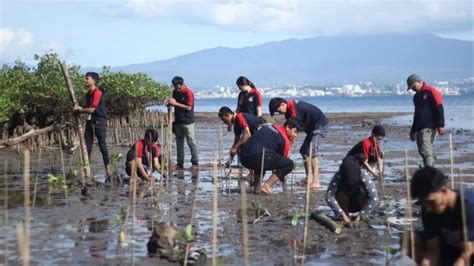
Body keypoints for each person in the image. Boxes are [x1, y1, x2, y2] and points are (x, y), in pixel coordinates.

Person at [408, 166, 473, 265]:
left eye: (431, 202)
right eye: (423, 203)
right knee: (408, 239)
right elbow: (433, 248)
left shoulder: (468, 206)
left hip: (469, 249)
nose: (428, 208)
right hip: (448, 248)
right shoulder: (428, 209)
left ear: (444, 190)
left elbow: (467, 252)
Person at [325, 125, 385, 223]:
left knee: (369, 192)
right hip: (354, 166)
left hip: (358, 176)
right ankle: (344, 213)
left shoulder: (361, 174)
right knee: (342, 193)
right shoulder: (340, 174)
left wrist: (361, 215)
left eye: (380, 140)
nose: (378, 141)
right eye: (377, 139)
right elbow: (328, 196)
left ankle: (357, 213)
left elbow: (375, 199)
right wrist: (342, 214)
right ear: (373, 135)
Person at [269, 97, 328, 189]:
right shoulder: (289, 113)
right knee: (304, 151)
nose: (279, 113)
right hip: (311, 129)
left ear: (283, 104)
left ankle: (316, 181)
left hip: (319, 126)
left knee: (311, 152)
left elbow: (293, 133)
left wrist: (288, 149)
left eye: (279, 111)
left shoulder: (295, 110)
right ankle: (308, 177)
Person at [239, 118, 303, 194]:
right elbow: (284, 159)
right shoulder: (284, 140)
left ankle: (257, 187)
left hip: (243, 157)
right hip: (258, 157)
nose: (295, 135)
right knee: (289, 164)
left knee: (262, 161)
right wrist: (281, 175)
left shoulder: (270, 126)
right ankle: (267, 186)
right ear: (288, 127)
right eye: (295, 132)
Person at [73, 72, 109, 176]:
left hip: (100, 121)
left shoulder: (97, 92)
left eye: (87, 78)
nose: (85, 80)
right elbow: (87, 107)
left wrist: (79, 110)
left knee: (102, 146)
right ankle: (86, 171)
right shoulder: (88, 94)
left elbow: (92, 109)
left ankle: (108, 171)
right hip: (91, 121)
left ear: (93, 80)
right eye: (85, 78)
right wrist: (79, 107)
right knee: (87, 146)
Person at [407, 74, 445, 167]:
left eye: (414, 86)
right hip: (419, 127)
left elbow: (439, 108)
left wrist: (441, 125)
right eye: (411, 88)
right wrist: (413, 131)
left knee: (425, 151)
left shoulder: (431, 92)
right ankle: (429, 167)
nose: (413, 89)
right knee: (422, 151)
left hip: (430, 126)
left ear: (420, 82)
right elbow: (416, 114)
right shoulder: (416, 97)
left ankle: (429, 172)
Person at [218, 106, 264, 183]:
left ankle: (253, 174)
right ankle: (251, 173)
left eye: (224, 120)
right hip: (255, 135)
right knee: (240, 147)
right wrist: (230, 159)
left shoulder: (239, 117)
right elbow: (236, 142)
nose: (224, 122)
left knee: (247, 149)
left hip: (263, 131)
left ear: (228, 115)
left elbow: (247, 135)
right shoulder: (236, 124)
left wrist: (236, 146)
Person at [165, 76, 199, 171]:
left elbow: (189, 107)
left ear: (183, 84)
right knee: (179, 143)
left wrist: (175, 104)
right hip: (178, 121)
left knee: (191, 142)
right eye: (176, 88)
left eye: (179, 87)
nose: (178, 90)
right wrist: (169, 117)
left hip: (188, 122)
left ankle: (195, 163)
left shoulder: (189, 92)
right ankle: (180, 164)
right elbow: (172, 105)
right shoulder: (175, 92)